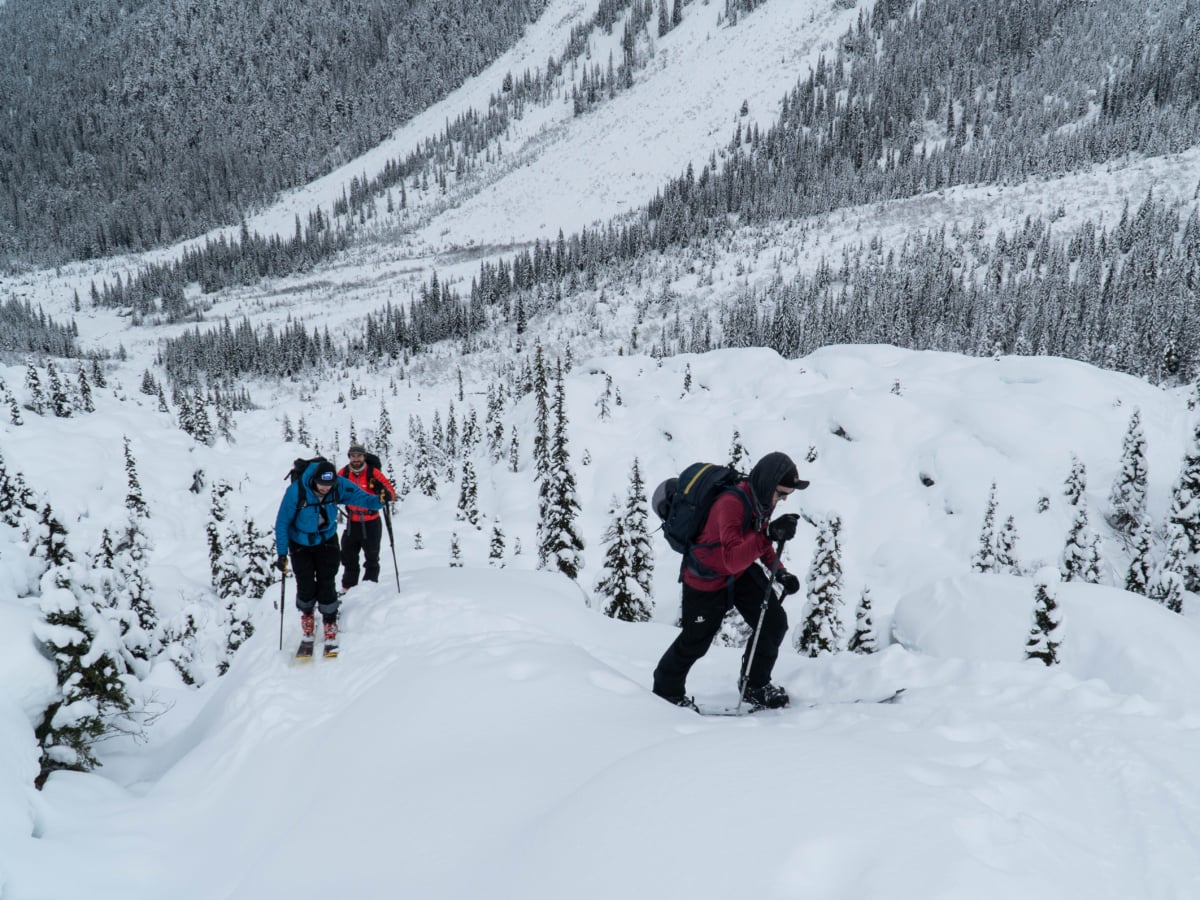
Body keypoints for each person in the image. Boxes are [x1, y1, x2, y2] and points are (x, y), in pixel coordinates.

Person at [652, 451, 809, 712]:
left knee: (773, 623)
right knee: (695, 641)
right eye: (780, 493)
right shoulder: (731, 504)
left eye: (786, 496)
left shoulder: (761, 500)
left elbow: (757, 540)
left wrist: (779, 571)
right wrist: (770, 534)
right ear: (768, 483)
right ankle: (666, 691)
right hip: (706, 577)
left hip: (738, 573)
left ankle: (754, 686)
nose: (782, 500)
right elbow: (732, 558)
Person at [275, 459, 382, 650]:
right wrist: (282, 554)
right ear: (314, 480)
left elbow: (358, 497)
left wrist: (378, 500)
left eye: (329, 485)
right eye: (322, 485)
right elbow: (282, 522)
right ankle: (307, 614)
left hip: (326, 539)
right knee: (305, 581)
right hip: (300, 543)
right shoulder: (296, 492)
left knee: (327, 579)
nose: (326, 489)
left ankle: (330, 619)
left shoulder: (337, 485)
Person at [338, 444, 397, 591]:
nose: (356, 459)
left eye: (359, 455)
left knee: (371, 559)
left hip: (371, 523)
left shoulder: (373, 472)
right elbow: (332, 490)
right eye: (353, 456)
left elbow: (391, 493)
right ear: (349, 457)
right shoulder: (343, 473)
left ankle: (369, 590)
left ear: (364, 457)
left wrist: (382, 492)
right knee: (348, 558)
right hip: (353, 523)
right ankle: (348, 589)